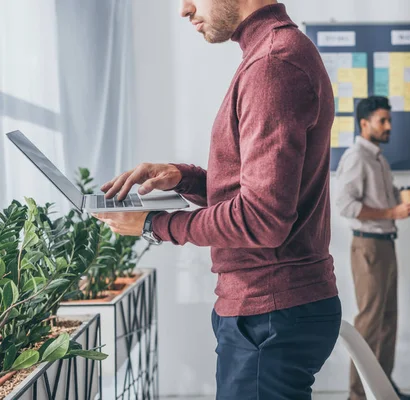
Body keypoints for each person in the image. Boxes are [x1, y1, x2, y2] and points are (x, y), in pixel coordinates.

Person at [94, 1, 341, 399]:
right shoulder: (269, 54)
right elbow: (263, 196)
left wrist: (152, 225)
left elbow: (261, 218)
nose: (184, 10)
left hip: (269, 310)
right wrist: (184, 178)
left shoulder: (272, 64)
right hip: (266, 307)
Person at [336, 96, 410, 400]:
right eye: (382, 121)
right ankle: (357, 396)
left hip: (385, 246)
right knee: (369, 323)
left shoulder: (378, 159)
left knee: (388, 322)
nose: (389, 126)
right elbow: (345, 205)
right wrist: (390, 214)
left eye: (389, 121)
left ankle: (383, 390)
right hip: (368, 247)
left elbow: (393, 199)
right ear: (364, 124)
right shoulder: (356, 158)